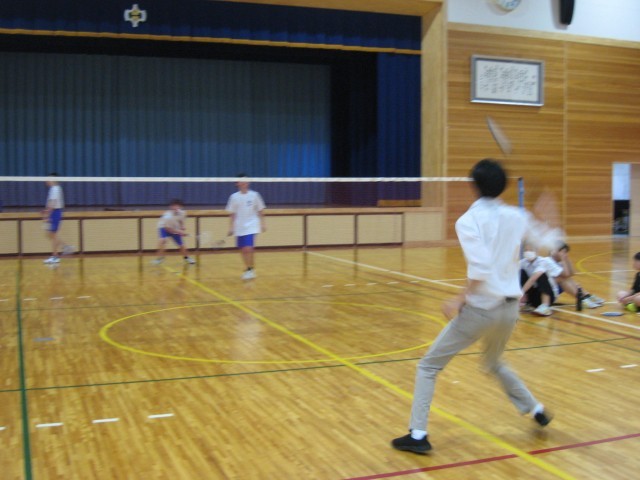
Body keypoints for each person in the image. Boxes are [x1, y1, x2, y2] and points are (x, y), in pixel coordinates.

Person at [391, 159, 555, 454]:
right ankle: (536, 409)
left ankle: (418, 434)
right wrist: (549, 219)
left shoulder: (469, 220)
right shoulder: (517, 215)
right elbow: (549, 240)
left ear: (474, 186)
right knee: (493, 362)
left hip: (482, 309)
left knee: (428, 366)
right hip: (509, 310)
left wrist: (459, 299)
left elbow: (480, 269)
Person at [226, 174, 266, 280]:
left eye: (245, 180)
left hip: (252, 225)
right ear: (237, 183)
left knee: (248, 248)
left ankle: (249, 270)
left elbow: (261, 210)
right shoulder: (234, 197)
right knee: (243, 249)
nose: (243, 182)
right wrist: (231, 227)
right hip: (239, 226)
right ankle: (250, 268)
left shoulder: (255, 195)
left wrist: (263, 223)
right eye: (241, 181)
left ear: (248, 182)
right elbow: (232, 213)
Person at [550, 242, 604, 308]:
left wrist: (567, 259)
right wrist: (563, 260)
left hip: (554, 289)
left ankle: (586, 296)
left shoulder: (559, 262)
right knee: (562, 278)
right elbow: (566, 274)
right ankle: (581, 299)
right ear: (554, 251)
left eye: (565, 252)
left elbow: (572, 273)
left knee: (569, 279)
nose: (563, 254)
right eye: (562, 252)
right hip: (546, 293)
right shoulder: (549, 261)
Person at [519, 247, 562, 316]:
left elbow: (532, 279)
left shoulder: (543, 261)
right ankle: (526, 301)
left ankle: (545, 306)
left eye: (531, 250)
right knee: (521, 272)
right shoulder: (523, 262)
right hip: (534, 296)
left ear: (537, 251)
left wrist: (520, 293)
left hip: (549, 294)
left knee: (541, 275)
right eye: (526, 250)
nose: (528, 252)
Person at [42, 173, 75, 264]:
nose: (46, 181)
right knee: (51, 234)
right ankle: (66, 247)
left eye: (48, 179)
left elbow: (53, 203)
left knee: (53, 234)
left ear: (53, 179)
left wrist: (47, 214)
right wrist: (46, 211)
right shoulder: (53, 189)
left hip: (55, 212)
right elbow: (50, 202)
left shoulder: (55, 189)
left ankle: (55, 256)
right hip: (54, 212)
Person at [151, 199, 196, 265]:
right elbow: (168, 229)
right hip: (164, 227)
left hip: (175, 227)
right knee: (162, 240)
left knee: (181, 244)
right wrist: (179, 232)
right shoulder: (167, 215)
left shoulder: (183, 213)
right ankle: (159, 259)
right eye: (174, 206)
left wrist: (182, 227)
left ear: (180, 207)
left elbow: (181, 221)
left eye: (178, 206)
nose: (176, 208)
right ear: (171, 207)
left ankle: (187, 258)